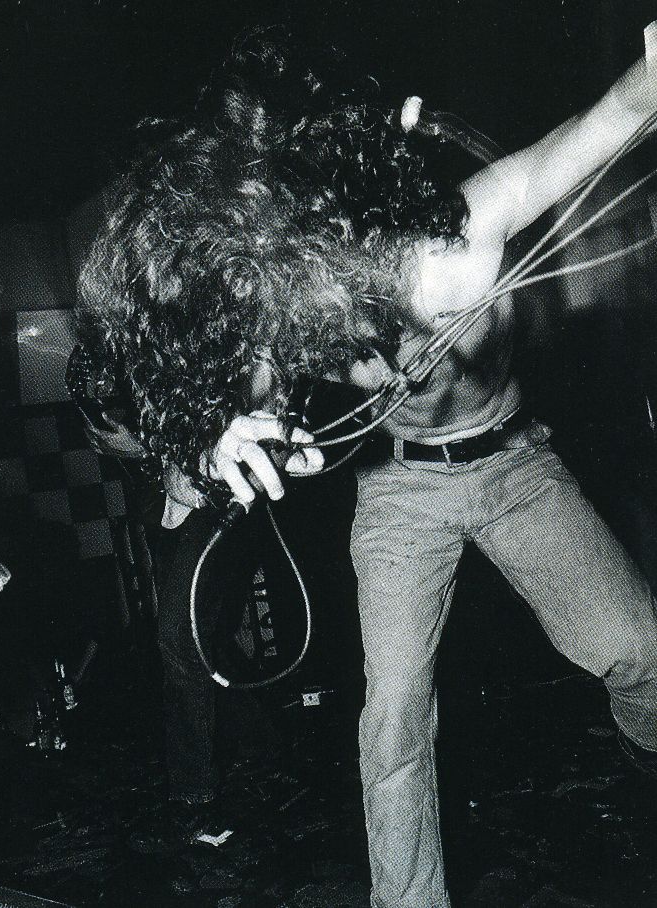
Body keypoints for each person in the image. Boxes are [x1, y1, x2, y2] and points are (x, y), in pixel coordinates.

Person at [200, 23, 657, 908]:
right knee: (393, 716)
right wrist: (239, 432)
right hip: (398, 489)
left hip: (514, 466)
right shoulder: (296, 290)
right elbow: (253, 397)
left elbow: (605, 122)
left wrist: (650, 71)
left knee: (636, 650)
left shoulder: (474, 221)